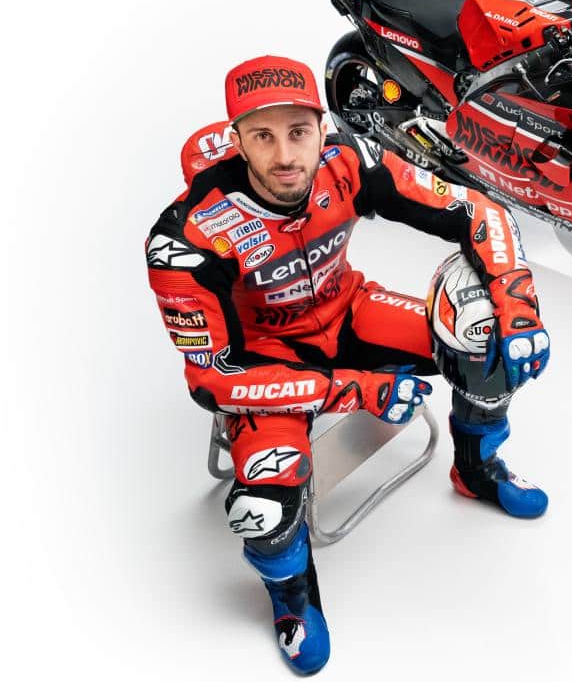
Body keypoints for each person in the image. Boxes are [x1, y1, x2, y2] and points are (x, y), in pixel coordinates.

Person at [145, 56, 551, 673]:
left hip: (351, 311)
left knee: (486, 336)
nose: (286, 156)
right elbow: (212, 380)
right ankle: (291, 598)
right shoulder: (184, 239)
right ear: (237, 140)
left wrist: (517, 303)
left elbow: (480, 211)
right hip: (266, 362)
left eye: (298, 132)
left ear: (321, 127)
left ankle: (475, 468)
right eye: (263, 136)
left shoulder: (351, 159)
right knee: (265, 502)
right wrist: (356, 390)